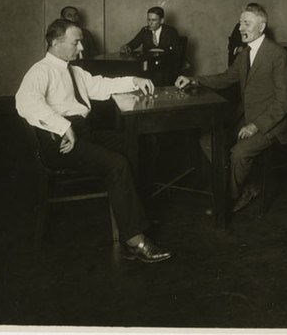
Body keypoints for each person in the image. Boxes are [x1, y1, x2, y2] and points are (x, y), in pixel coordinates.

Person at [16, 19, 172, 263]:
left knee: (141, 143)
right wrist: (63, 125)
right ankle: (134, 240)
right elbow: (25, 102)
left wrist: (134, 81)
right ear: (56, 43)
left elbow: (100, 85)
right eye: (76, 42)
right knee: (117, 164)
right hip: (59, 141)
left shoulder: (74, 71)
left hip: (81, 132)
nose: (81, 48)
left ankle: (133, 214)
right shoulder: (40, 71)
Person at [175, 4, 287, 214]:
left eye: (246, 23)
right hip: (248, 117)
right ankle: (241, 184)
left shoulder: (278, 56)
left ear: (262, 26)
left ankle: (228, 198)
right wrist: (194, 80)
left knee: (239, 153)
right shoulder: (245, 54)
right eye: (240, 22)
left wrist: (256, 126)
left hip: (273, 124)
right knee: (207, 141)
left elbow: (284, 101)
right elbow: (226, 78)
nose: (240, 28)